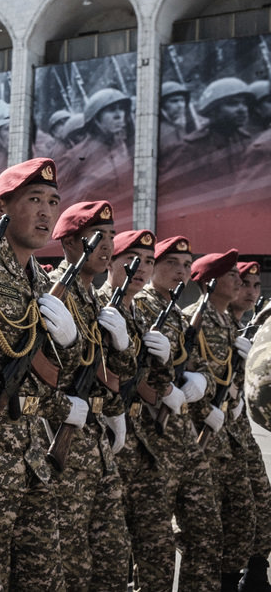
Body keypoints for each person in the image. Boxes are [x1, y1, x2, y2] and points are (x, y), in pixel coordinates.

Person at [0, 157, 85, 590]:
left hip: (30, 452)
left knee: (44, 575)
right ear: (2, 208)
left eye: (53, 202)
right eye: (34, 200)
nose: (47, 212)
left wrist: (70, 341)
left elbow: (65, 370)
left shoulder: (42, 283)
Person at [43, 200, 133, 590]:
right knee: (72, 563)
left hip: (95, 441)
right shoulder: (54, 292)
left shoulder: (95, 298)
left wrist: (124, 346)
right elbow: (32, 375)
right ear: (69, 241)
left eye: (112, 237)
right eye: (97, 237)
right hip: (63, 442)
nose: (107, 245)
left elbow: (114, 374)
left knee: (113, 557)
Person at [133, 235, 223, 589]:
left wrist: (201, 383)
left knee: (205, 529)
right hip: (152, 441)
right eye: (173, 263)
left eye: (187, 266)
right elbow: (127, 372)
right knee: (155, 545)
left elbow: (204, 372)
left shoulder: (179, 317)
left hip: (185, 440)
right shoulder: (139, 306)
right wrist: (161, 393)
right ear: (153, 265)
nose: (182, 272)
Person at [100, 229, 176, 589]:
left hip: (143, 444)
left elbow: (154, 392)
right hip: (104, 444)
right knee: (110, 556)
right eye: (132, 259)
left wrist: (164, 363)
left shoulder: (143, 318)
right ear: (110, 261)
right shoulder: (97, 308)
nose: (141, 268)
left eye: (148, 261)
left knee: (158, 546)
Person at [184, 250, 256, 590]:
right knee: (204, 531)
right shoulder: (192, 319)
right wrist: (204, 413)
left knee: (242, 519)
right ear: (211, 282)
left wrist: (237, 400)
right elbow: (187, 376)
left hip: (228, 436)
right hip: (201, 438)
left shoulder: (229, 323)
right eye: (233, 276)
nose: (240, 283)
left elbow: (228, 377)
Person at [226, 262, 271, 572]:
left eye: (257, 286)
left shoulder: (246, 326)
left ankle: (253, 574)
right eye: (245, 284)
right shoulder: (208, 321)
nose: (252, 292)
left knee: (261, 503)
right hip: (211, 434)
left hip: (239, 430)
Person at [56, 89, 134, 227]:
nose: (118, 115)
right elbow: (60, 197)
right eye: (111, 110)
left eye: (121, 109)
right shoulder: (77, 155)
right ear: (96, 118)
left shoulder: (124, 147)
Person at [158, 81, 197, 150]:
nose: (181, 105)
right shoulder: (161, 131)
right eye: (174, 101)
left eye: (182, 100)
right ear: (162, 105)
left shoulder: (184, 124)